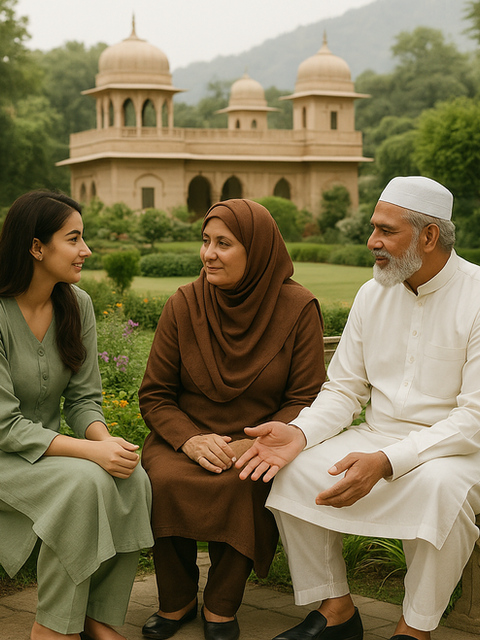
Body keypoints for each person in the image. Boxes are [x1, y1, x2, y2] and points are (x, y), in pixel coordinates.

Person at [236, 176, 480, 640]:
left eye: (386, 231)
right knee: (291, 468)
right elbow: (344, 391)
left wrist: (388, 462)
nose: (372, 242)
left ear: (428, 237)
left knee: (442, 489)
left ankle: (413, 628)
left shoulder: (478, 296)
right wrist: (300, 434)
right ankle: (336, 610)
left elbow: (474, 419)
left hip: (456, 450)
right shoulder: (373, 294)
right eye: (374, 228)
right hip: (376, 436)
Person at [138, 198, 325, 640]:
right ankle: (176, 598)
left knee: (245, 482)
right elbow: (156, 394)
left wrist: (253, 444)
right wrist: (190, 440)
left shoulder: (297, 308)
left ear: (256, 250)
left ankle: (222, 604)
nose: (209, 253)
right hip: (182, 438)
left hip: (260, 440)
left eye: (224, 243)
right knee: (163, 480)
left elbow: (306, 397)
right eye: (205, 241)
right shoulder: (184, 304)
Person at [0, 191, 154, 640]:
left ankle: (98, 617)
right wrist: (89, 453)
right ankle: (54, 628)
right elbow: (5, 425)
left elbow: (83, 400)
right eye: (74, 238)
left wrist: (104, 442)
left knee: (132, 477)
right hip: (6, 454)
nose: (86, 250)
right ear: (36, 247)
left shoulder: (76, 305)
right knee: (83, 484)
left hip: (41, 455)